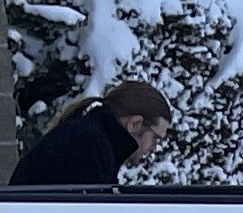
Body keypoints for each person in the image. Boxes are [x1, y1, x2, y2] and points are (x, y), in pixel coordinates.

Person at [10, 79, 171, 188]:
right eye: (155, 138)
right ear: (135, 123)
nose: (153, 148)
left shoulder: (91, 139)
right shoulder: (86, 149)